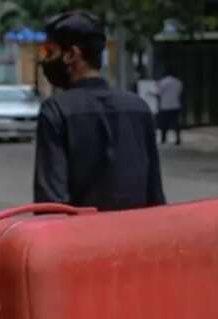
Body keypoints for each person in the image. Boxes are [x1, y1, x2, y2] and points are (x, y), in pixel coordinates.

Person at [33, 10, 165, 210]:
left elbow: (51, 204)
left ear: (71, 55)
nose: (46, 62)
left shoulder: (56, 110)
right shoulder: (139, 107)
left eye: (51, 53)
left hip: (84, 238)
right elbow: (155, 195)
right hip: (138, 236)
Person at [155, 67, 183, 145]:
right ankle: (178, 138)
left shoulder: (163, 82)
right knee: (176, 123)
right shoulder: (178, 82)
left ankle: (163, 138)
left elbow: (159, 92)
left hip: (165, 105)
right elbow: (179, 92)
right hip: (175, 105)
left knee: (164, 124)